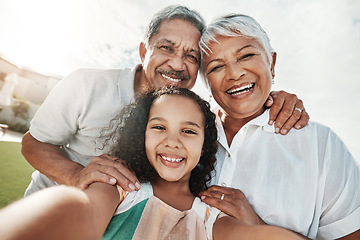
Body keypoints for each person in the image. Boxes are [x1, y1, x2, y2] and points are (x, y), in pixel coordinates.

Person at [21, 5, 310, 196]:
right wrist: (78, 175)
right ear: (143, 51)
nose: (177, 64)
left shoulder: (187, 113)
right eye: (166, 48)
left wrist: (272, 101)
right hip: (49, 209)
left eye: (191, 56)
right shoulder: (87, 83)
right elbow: (33, 142)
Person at [0, 87, 306, 240]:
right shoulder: (119, 186)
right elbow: (76, 209)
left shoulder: (210, 213)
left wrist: (256, 225)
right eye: (159, 127)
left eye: (188, 131)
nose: (172, 141)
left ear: (205, 145)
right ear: (142, 135)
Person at [197, 13, 360, 239]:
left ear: (271, 63)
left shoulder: (321, 145)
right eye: (216, 67)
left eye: (246, 55)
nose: (234, 73)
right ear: (206, 82)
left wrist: (257, 228)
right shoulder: (188, 137)